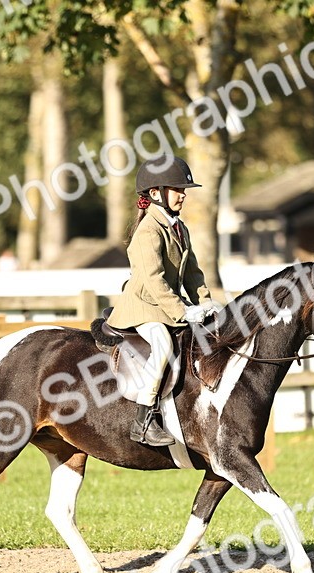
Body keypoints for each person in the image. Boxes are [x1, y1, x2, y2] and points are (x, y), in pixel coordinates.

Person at [108, 154, 219, 446]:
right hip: (142, 308)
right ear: (156, 193)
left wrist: (206, 304)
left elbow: (193, 273)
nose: (183, 195)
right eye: (178, 189)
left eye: (184, 190)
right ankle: (143, 420)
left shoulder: (179, 227)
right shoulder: (148, 230)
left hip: (164, 305)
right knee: (163, 344)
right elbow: (154, 281)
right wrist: (183, 310)